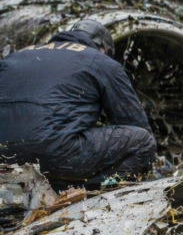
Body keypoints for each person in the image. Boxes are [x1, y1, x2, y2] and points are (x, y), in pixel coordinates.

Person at [0, 20, 156, 189]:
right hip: (55, 156)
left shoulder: (14, 57)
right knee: (144, 141)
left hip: (4, 159)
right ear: (103, 48)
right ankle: (87, 192)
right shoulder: (102, 61)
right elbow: (133, 123)